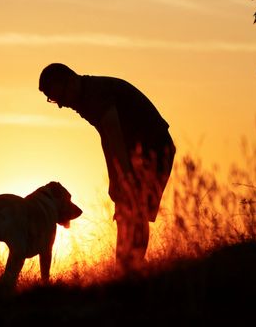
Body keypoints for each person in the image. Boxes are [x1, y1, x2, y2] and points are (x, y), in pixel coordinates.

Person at [39, 63, 176, 273]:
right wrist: (115, 177)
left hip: (155, 149)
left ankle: (130, 270)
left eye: (55, 96)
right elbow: (106, 137)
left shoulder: (94, 93)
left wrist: (125, 176)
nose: (59, 105)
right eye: (52, 100)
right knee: (127, 209)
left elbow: (113, 131)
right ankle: (128, 269)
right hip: (140, 151)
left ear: (69, 81)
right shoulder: (85, 97)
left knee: (133, 210)